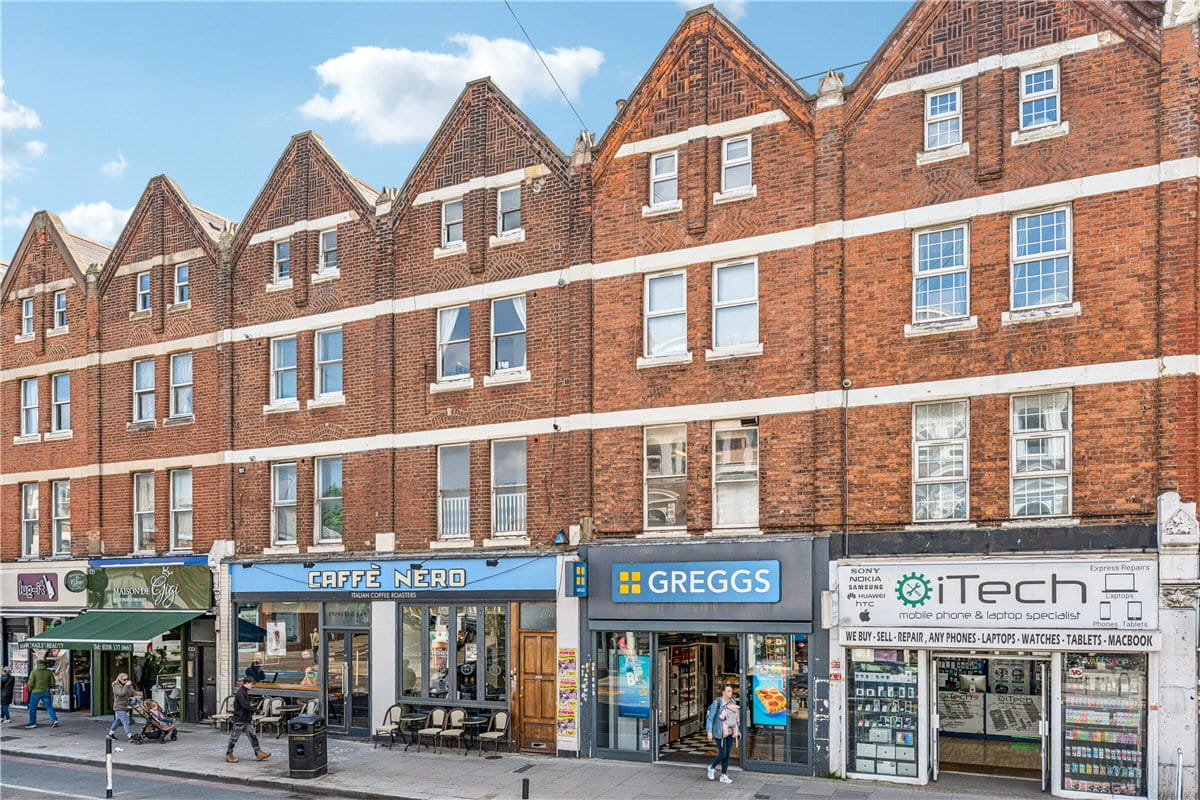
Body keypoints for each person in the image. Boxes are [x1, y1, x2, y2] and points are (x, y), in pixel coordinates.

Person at [225, 676, 270, 763]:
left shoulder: (244, 692)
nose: (252, 686)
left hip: (246, 719)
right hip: (240, 719)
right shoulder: (241, 693)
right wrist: (257, 710)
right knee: (234, 738)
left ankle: (258, 753)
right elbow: (245, 706)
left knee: (253, 736)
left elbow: (246, 706)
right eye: (252, 684)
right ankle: (228, 754)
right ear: (247, 683)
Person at [705, 683, 740, 784]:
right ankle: (712, 767)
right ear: (723, 692)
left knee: (727, 754)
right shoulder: (717, 703)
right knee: (723, 753)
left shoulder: (733, 702)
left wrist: (737, 730)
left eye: (731, 691)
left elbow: (735, 718)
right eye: (728, 691)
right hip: (719, 732)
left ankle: (723, 775)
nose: (731, 692)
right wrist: (709, 731)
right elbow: (710, 718)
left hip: (730, 732)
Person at [24, 659, 59, 729]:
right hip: (46, 691)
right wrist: (48, 686)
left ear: (37, 664)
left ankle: (32, 723)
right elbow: (52, 682)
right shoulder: (49, 672)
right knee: (49, 707)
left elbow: (30, 683)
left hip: (35, 692)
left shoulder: (34, 672)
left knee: (32, 708)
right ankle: (55, 720)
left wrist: (30, 689)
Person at [107, 672, 138, 740]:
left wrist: (137, 699)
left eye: (127, 679)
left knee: (118, 721)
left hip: (126, 706)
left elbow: (134, 693)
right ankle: (129, 736)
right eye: (124, 679)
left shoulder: (129, 686)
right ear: (120, 680)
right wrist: (126, 686)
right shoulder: (116, 686)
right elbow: (121, 693)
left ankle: (110, 734)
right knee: (125, 721)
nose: (126, 681)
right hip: (119, 707)